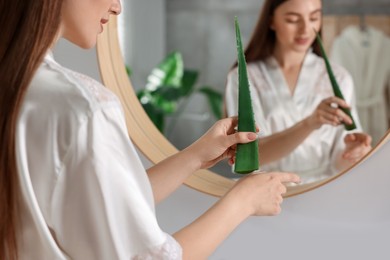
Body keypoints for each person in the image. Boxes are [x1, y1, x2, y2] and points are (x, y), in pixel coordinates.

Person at [0, 0, 300, 259]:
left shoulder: (24, 89)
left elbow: (105, 205)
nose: (117, 6)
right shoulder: (84, 107)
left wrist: (195, 157)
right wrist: (242, 202)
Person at [225, 0, 372, 184]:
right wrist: (310, 123)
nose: (306, 29)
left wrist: (353, 152)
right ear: (271, 21)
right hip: (263, 191)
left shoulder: (339, 77)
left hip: (322, 190)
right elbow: (248, 157)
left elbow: (338, 165)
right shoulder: (245, 78)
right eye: (293, 19)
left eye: (314, 17)